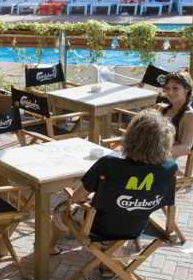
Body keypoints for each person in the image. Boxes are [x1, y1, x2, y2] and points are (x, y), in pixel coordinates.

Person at [52, 110, 179, 266]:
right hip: (135, 228)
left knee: (61, 207)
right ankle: (109, 266)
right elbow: (167, 201)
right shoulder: (169, 168)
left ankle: (51, 247)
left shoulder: (109, 164)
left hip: (98, 228)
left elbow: (77, 198)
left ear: (131, 137)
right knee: (121, 214)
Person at [160, 71, 193, 158]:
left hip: (164, 162)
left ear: (187, 89)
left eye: (175, 88)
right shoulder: (162, 110)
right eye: (167, 88)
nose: (170, 92)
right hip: (151, 159)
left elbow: (186, 148)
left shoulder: (190, 115)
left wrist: (155, 153)